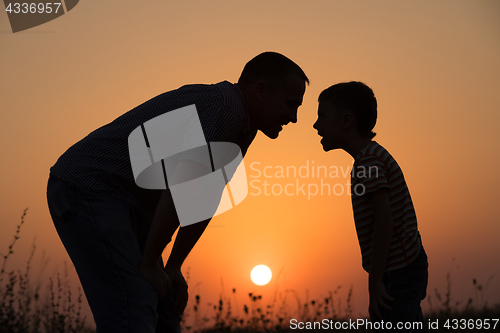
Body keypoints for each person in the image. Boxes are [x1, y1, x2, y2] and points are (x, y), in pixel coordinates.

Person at [46, 52, 308, 332]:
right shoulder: (226, 111)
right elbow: (181, 188)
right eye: (290, 105)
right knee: (134, 301)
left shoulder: (244, 124)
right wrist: (149, 263)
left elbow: (206, 198)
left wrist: (173, 267)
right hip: (90, 187)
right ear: (260, 90)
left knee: (165, 300)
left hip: (125, 203)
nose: (293, 118)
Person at [313, 82, 428, 332]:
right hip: (407, 263)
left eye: (322, 116)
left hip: (397, 271)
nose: (315, 125)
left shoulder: (368, 162)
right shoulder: (371, 157)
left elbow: (384, 222)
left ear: (346, 121)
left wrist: (375, 281)